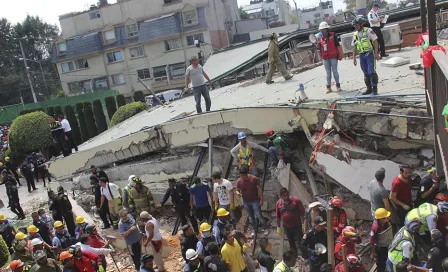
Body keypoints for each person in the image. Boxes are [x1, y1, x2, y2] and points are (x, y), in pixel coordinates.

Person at [236, 165, 269, 236]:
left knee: (259, 215)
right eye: (241, 176)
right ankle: (254, 229)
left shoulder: (254, 179)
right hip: (246, 201)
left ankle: (265, 228)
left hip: (255, 201)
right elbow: (237, 190)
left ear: (247, 174)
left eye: (243, 176)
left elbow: (259, 189)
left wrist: (262, 200)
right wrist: (238, 193)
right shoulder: (239, 181)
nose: (242, 177)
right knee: (250, 217)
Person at [351, 16, 380, 95]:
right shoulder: (355, 34)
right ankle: (369, 89)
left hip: (369, 54)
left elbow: (375, 42)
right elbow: (354, 47)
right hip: (362, 55)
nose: (356, 27)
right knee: (365, 73)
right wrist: (354, 58)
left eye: (357, 25)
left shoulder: (368, 31)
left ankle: (375, 89)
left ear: (361, 24)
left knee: (371, 72)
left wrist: (376, 53)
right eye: (355, 25)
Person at [276, 187, 305, 254]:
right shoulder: (278, 204)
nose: (286, 197)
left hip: (297, 226)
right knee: (291, 241)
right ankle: (294, 254)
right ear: (281, 196)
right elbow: (278, 216)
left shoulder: (296, 200)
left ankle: (304, 255)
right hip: (287, 227)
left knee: (300, 241)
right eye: (284, 196)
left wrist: (303, 223)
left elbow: (302, 212)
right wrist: (278, 227)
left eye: (287, 195)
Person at [316, 21, 343, 93]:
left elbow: (338, 45)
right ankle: (328, 87)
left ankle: (338, 86)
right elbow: (319, 48)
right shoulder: (320, 38)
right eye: (320, 30)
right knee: (328, 73)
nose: (321, 31)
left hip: (333, 56)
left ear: (326, 29)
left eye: (323, 29)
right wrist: (317, 43)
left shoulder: (333, 35)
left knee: (335, 71)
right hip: (325, 58)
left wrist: (340, 54)